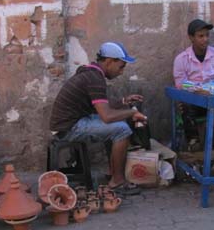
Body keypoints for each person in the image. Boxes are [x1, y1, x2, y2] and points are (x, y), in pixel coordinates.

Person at [49, 42, 147, 196]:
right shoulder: (95, 78)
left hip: (68, 123)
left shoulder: (91, 73)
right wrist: (130, 113)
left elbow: (101, 106)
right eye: (121, 67)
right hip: (69, 128)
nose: (121, 72)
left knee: (117, 126)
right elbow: (106, 116)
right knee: (122, 130)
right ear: (109, 62)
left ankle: (114, 172)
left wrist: (123, 102)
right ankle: (117, 181)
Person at [173, 19, 214, 87]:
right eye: (201, 36)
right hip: (191, 96)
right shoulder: (181, 60)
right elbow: (180, 86)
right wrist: (198, 91)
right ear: (191, 38)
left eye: (207, 35)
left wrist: (212, 91)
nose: (205, 39)